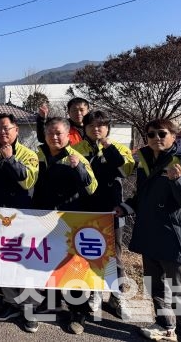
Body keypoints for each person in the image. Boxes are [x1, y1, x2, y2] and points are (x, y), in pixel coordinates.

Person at [116, 119, 181, 342]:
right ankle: (165, 325)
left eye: (162, 133)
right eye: (151, 134)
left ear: (174, 136)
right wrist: (125, 208)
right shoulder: (146, 160)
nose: (156, 138)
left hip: (175, 239)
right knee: (155, 287)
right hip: (151, 235)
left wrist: (179, 180)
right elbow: (144, 196)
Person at [31, 117, 98, 335]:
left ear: (68, 134)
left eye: (58, 132)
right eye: (50, 132)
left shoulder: (76, 157)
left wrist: (79, 168)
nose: (54, 136)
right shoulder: (39, 155)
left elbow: (92, 189)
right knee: (49, 263)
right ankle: (52, 302)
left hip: (71, 222)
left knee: (73, 268)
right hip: (44, 220)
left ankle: (78, 312)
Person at [72, 111, 135, 317]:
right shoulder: (76, 149)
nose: (96, 129)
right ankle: (94, 292)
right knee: (88, 254)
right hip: (85, 209)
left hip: (112, 210)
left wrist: (108, 149)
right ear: (84, 128)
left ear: (108, 127)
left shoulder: (120, 149)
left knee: (114, 256)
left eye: (101, 125)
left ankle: (117, 297)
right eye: (91, 125)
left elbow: (126, 171)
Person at [0, 114, 40, 333]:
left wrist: (10, 159)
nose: (2, 132)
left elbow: (28, 181)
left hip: (23, 218)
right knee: (3, 262)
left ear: (16, 130)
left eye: (6, 128)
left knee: (26, 262)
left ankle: (30, 309)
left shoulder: (29, 154)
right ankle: (11, 303)